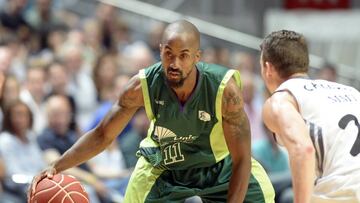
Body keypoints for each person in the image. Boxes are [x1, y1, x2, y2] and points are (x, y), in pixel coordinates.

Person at [29, 20, 275, 202]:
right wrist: (57, 166)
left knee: (264, 194)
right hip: (164, 168)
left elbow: (242, 158)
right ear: (160, 51)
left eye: (183, 56)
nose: (174, 63)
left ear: (197, 57)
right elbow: (103, 134)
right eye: (168, 54)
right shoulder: (141, 85)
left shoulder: (225, 91)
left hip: (219, 166)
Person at [260, 30, 360, 203]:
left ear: (268, 68)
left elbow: (303, 150)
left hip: (339, 195)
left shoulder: (280, 99)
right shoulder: (351, 91)